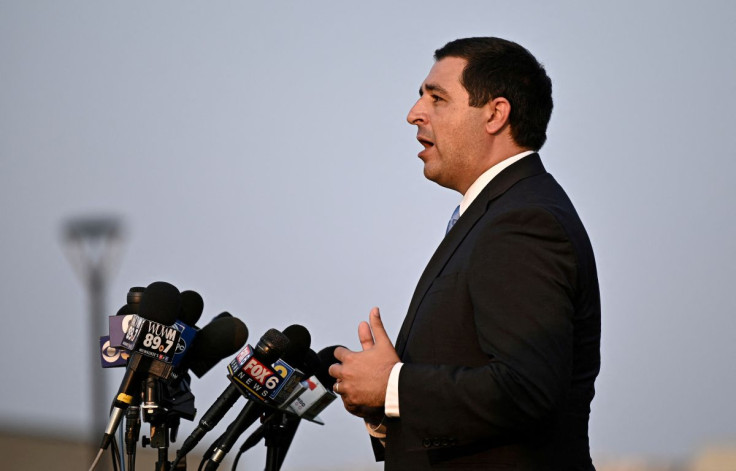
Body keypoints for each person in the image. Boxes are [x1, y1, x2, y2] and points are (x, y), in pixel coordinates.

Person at [328, 37, 601, 470]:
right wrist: (385, 409)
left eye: (436, 98)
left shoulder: (523, 221)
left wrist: (394, 385)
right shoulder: (497, 213)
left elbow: (526, 388)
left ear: (495, 114)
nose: (414, 113)